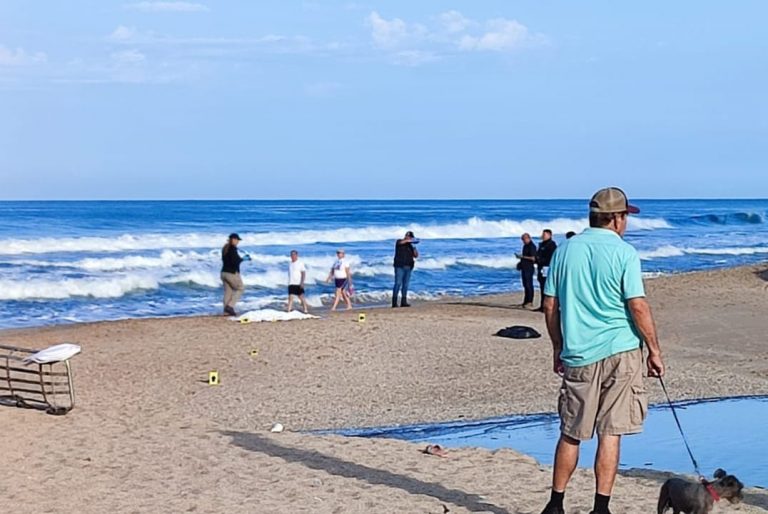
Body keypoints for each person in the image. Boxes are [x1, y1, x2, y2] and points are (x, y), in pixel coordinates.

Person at [540, 187, 665, 514]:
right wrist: (654, 350)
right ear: (616, 218)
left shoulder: (565, 251)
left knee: (571, 431)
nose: (627, 223)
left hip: (579, 352)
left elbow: (550, 305)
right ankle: (600, 507)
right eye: (625, 217)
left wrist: (558, 346)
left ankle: (556, 503)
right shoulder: (624, 253)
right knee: (611, 432)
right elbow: (637, 306)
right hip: (621, 350)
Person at [221, 233, 250, 316]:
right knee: (240, 288)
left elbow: (229, 260)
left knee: (228, 292)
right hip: (231, 273)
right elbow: (235, 261)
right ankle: (230, 306)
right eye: (237, 240)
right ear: (233, 240)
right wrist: (244, 259)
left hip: (223, 273)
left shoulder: (225, 248)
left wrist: (241, 259)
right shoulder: (232, 249)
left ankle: (226, 311)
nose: (238, 242)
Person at [392, 231, 419, 308]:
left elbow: (416, 255)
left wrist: (414, 248)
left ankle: (403, 301)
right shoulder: (399, 242)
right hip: (399, 266)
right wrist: (409, 240)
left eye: (410, 237)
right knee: (398, 283)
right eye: (408, 236)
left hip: (408, 266)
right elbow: (401, 242)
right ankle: (394, 302)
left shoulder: (410, 246)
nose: (409, 238)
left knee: (405, 285)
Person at [535, 229, 557, 311]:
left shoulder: (551, 245)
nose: (543, 236)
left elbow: (550, 257)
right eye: (542, 235)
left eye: (544, 235)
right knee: (541, 285)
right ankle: (542, 305)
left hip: (547, 268)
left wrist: (541, 260)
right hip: (541, 267)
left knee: (546, 286)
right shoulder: (542, 244)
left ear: (549, 235)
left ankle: (546, 306)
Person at [516, 233, 537, 308]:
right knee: (525, 285)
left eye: (524, 239)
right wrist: (520, 263)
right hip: (524, 267)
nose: (523, 241)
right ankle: (525, 301)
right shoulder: (525, 246)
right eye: (522, 240)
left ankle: (530, 301)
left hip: (529, 267)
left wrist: (522, 257)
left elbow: (533, 258)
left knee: (529, 285)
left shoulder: (532, 246)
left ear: (529, 238)